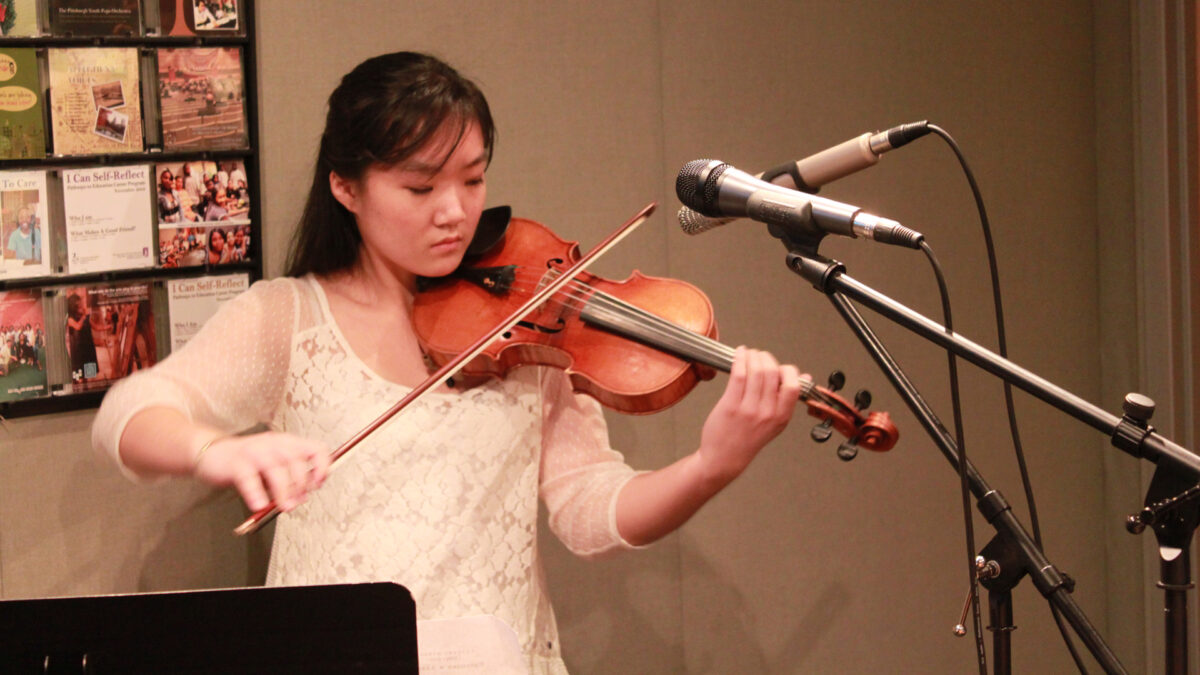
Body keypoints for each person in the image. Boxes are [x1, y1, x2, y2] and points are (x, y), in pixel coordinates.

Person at [91, 51, 804, 674]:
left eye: (472, 179)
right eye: (420, 187)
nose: (455, 212)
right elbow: (126, 418)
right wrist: (213, 451)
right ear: (347, 187)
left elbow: (589, 510)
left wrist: (711, 466)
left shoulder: (529, 322)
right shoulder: (289, 317)